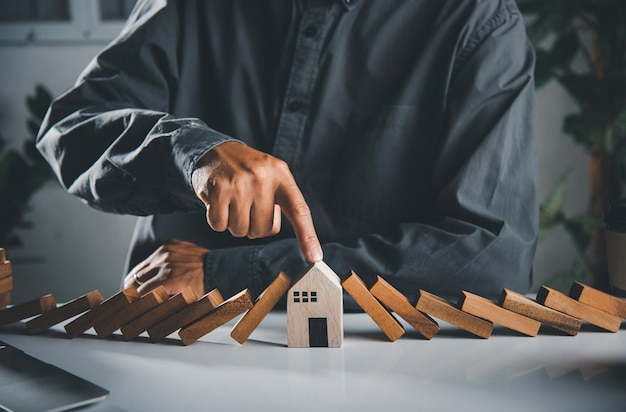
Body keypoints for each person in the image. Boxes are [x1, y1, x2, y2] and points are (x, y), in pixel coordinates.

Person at [37, 0, 538, 307]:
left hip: (379, 371)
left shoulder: (478, 20)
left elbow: (490, 256)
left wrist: (234, 274)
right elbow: (69, 130)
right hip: (176, 342)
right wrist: (191, 153)